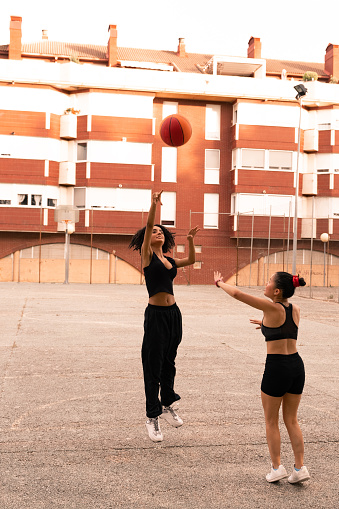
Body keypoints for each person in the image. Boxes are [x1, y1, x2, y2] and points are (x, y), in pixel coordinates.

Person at [213, 270, 310, 484]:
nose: (264, 285)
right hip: (296, 366)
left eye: (268, 282)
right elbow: (283, 329)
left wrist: (220, 283)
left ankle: (277, 468)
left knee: (271, 421)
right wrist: (265, 325)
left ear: (276, 291)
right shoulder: (296, 309)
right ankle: (300, 467)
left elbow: (238, 294)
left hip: (277, 368)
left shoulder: (270, 307)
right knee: (292, 420)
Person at [129, 190, 199, 442]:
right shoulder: (147, 256)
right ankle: (152, 415)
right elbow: (149, 224)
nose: (157, 232)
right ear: (148, 239)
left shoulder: (168, 259)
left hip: (174, 314)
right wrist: (153, 205)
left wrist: (190, 239)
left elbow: (190, 259)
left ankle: (167, 401)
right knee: (153, 364)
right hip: (156, 315)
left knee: (169, 360)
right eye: (154, 231)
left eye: (161, 231)